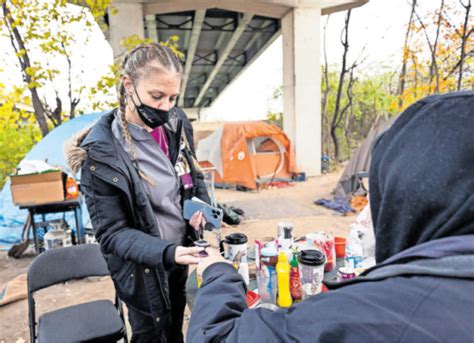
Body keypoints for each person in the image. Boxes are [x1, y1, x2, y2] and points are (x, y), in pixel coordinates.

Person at [187, 91, 474, 342]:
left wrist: (218, 272)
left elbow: (217, 337)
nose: (369, 204)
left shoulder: (378, 310)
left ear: (408, 192)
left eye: (376, 188)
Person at [66, 43, 210, 342]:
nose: (165, 107)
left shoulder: (176, 123)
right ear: (128, 85)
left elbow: (192, 174)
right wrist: (165, 251)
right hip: (142, 269)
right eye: (156, 96)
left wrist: (200, 207)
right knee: (150, 334)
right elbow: (112, 232)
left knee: (174, 328)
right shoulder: (101, 154)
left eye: (172, 97)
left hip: (180, 254)